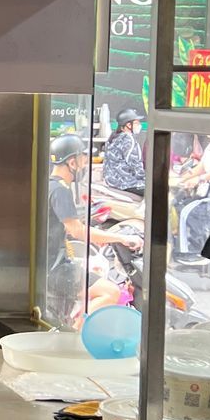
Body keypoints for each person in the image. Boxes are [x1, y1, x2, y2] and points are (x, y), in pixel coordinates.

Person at [46, 135, 142, 322]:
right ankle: (76, 333)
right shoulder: (60, 190)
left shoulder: (51, 187)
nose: (84, 164)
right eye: (82, 159)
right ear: (72, 162)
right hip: (56, 270)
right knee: (110, 292)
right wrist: (120, 239)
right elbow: (77, 231)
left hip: (52, 266)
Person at [100, 107, 146, 192]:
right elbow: (136, 165)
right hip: (126, 183)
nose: (139, 125)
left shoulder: (113, 137)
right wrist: (148, 179)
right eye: (137, 123)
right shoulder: (128, 140)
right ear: (129, 125)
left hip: (112, 182)